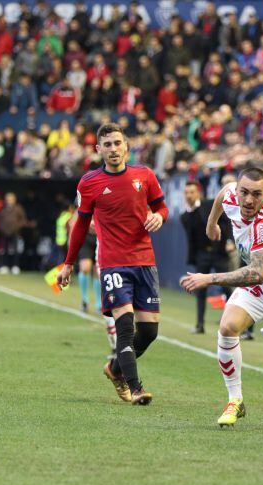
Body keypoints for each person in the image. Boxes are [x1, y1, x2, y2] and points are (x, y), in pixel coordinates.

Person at [180, 167, 263, 429]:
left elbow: (257, 273)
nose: (249, 200)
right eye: (244, 192)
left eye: (257, 194)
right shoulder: (231, 195)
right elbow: (221, 195)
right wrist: (212, 223)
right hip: (260, 287)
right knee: (228, 327)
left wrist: (209, 278)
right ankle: (235, 400)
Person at [58, 123, 169, 406]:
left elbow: (162, 207)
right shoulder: (89, 182)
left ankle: (114, 368)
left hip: (144, 260)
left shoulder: (144, 176)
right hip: (113, 263)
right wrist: (68, 263)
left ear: (126, 147)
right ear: (98, 150)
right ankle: (134, 387)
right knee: (124, 325)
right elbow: (80, 225)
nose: (113, 149)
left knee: (150, 331)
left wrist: (160, 217)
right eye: (107, 145)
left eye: (117, 143)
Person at [180, 180, 234, 334]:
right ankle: (199, 324)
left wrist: (228, 241)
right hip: (202, 255)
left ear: (198, 193)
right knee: (200, 290)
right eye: (186, 192)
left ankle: (233, 322)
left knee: (227, 286)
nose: (189, 195)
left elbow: (226, 222)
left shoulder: (210, 204)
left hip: (218, 253)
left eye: (191, 192)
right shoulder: (185, 216)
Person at [0, 192, 27, 275]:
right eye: (7, 199)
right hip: (4, 233)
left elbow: (23, 220)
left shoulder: (18, 208)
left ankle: (15, 266)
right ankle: (4, 266)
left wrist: (16, 228)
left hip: (15, 233)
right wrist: (3, 229)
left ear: (14, 200)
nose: (9, 201)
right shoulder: (2, 209)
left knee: (16, 250)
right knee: (4, 250)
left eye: (10, 199)